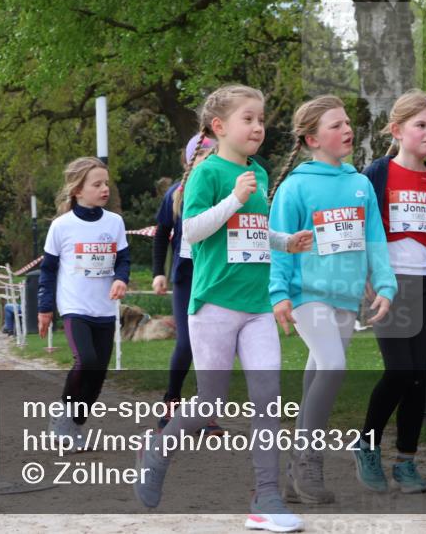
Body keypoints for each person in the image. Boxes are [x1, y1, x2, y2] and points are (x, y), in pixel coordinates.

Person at [133, 84, 312, 533]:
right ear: (219, 126)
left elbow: (253, 230)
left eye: (261, 119)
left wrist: (285, 242)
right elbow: (191, 230)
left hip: (257, 305)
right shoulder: (207, 173)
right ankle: (159, 449)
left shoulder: (259, 173)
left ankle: (266, 497)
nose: (258, 126)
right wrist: (233, 197)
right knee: (208, 403)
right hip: (213, 304)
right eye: (247, 118)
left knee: (267, 401)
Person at [267, 95, 396, 504]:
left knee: (318, 369)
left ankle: (293, 473)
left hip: (346, 296)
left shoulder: (360, 184)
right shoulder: (294, 186)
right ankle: (308, 463)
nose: (347, 130)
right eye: (336, 125)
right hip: (306, 294)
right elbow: (278, 245)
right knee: (334, 365)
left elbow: (375, 239)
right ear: (312, 139)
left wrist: (385, 284)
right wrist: (279, 294)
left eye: (347, 123)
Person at [353, 90, 426, 494]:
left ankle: (406, 461)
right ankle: (366, 444)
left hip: (425, 283)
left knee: (419, 377)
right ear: (397, 130)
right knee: (400, 370)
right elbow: (360, 228)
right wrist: (365, 276)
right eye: (421, 125)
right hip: (389, 284)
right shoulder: (376, 173)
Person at [38, 157, 130, 452]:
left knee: (98, 373)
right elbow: (48, 270)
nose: (105, 189)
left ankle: (75, 424)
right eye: (97, 184)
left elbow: (123, 259)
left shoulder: (114, 222)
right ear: (78, 190)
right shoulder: (61, 226)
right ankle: (62, 418)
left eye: (106, 183)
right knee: (86, 361)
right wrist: (44, 308)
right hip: (75, 307)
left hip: (104, 308)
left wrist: (121, 279)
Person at [151, 134, 225, 435]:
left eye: (213, 154)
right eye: (203, 155)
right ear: (189, 161)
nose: (208, 160)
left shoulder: (224, 189)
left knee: (212, 347)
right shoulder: (175, 193)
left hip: (216, 276)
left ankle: (204, 413)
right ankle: (171, 400)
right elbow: (161, 234)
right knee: (186, 344)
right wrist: (158, 272)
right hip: (187, 277)